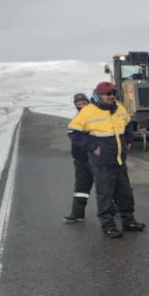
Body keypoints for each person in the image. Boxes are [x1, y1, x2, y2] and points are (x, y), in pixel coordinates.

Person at [68, 82, 146, 238]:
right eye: (107, 94)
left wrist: (129, 139)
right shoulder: (88, 111)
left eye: (113, 94)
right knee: (105, 194)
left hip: (119, 161)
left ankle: (128, 221)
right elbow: (73, 132)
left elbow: (128, 123)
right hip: (102, 162)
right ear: (99, 95)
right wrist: (91, 146)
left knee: (125, 193)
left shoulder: (119, 108)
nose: (111, 96)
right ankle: (108, 225)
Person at [63, 93, 93, 223]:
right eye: (78, 104)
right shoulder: (76, 119)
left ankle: (114, 211)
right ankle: (77, 213)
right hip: (80, 159)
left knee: (105, 187)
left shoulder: (95, 116)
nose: (81, 105)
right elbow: (72, 135)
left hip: (95, 158)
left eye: (83, 103)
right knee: (81, 188)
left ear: (88, 102)